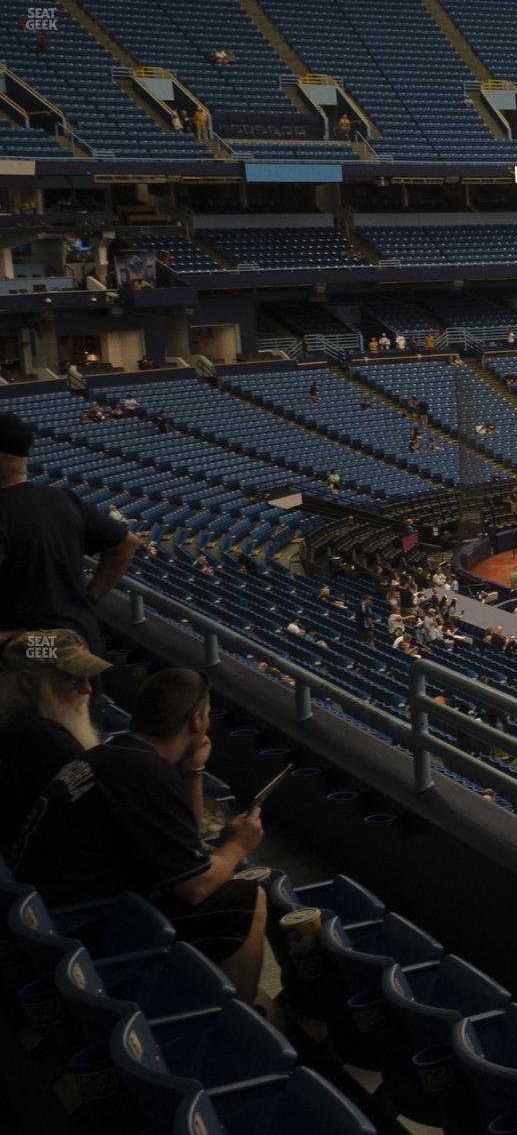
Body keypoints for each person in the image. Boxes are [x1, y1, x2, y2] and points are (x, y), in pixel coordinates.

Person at [8, 671, 270, 998]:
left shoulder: (116, 753)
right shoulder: (145, 773)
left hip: (49, 912)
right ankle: (241, 1018)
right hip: (81, 927)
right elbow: (195, 887)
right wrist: (238, 843)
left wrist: (193, 770)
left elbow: (188, 841)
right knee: (249, 898)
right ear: (197, 720)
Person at [0, 412, 141, 647]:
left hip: (32, 653)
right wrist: (89, 599)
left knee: (39, 681)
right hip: (78, 639)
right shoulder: (63, 498)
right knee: (80, 684)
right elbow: (128, 544)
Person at [0, 629, 110, 847]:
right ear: (29, 682)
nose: (88, 689)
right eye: (74, 680)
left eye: (88, 679)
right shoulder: (47, 742)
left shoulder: (16, 724)